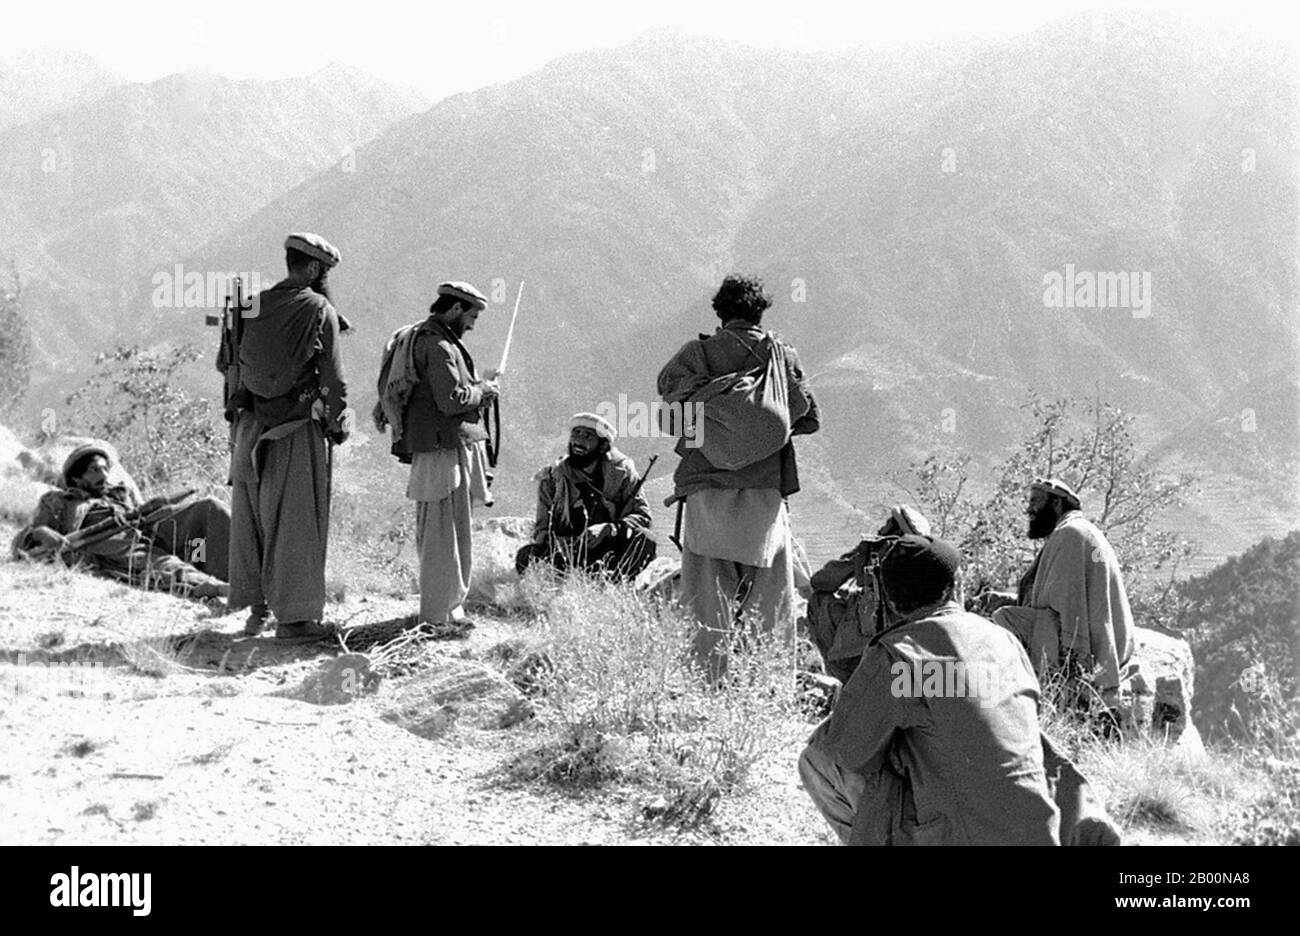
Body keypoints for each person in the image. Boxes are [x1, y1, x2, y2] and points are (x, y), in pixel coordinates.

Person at [799, 534, 1062, 845]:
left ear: (892, 601)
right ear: (955, 586)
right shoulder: (1004, 641)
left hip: (961, 838)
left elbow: (846, 752)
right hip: (1041, 833)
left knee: (817, 757)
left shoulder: (902, 657)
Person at [657, 274, 819, 680]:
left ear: (719, 311)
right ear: (761, 311)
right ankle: (769, 686)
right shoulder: (781, 356)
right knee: (771, 601)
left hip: (706, 490)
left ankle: (706, 684)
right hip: (765, 493)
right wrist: (761, 435)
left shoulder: (696, 354)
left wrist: (718, 430)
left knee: (706, 600)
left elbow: (673, 418)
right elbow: (809, 417)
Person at [227, 233, 352, 640]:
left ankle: (257, 607)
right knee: (295, 522)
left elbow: (227, 363)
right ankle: (296, 620)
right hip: (296, 430)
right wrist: (337, 422)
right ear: (315, 268)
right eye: (325, 271)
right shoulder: (319, 309)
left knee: (256, 520)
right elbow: (332, 378)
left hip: (249, 431)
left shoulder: (250, 305)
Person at [387, 281, 498, 628]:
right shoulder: (438, 346)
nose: (473, 324)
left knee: (448, 530)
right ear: (455, 309)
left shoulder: (431, 340)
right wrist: (483, 391)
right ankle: (436, 615)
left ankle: (448, 609)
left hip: (443, 447)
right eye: (472, 315)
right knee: (439, 533)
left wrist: (480, 389)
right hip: (439, 452)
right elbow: (451, 400)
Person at [11, 442, 229, 599]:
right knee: (166, 566)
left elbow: (143, 515)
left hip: (149, 531)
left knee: (207, 509)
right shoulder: (58, 500)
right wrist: (42, 533)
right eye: (95, 470)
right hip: (116, 547)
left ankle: (245, 569)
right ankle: (220, 588)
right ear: (77, 477)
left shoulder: (118, 493)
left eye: (106, 469)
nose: (104, 475)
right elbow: (34, 532)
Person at [992, 477, 1136, 706]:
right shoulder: (1079, 531)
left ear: (1057, 504)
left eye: (1036, 501)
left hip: (1090, 651)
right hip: (1108, 642)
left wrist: (1072, 667)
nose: (1029, 509)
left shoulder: (1070, 534)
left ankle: (1021, 699)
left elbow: (1068, 610)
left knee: (1005, 618)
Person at [515, 413, 656, 579]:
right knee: (527, 555)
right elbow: (542, 527)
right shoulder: (554, 476)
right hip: (568, 549)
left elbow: (643, 516)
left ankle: (614, 588)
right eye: (576, 434)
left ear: (603, 446)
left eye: (588, 436)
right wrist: (555, 546)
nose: (578, 441)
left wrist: (609, 529)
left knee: (645, 538)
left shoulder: (622, 473)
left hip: (610, 548)